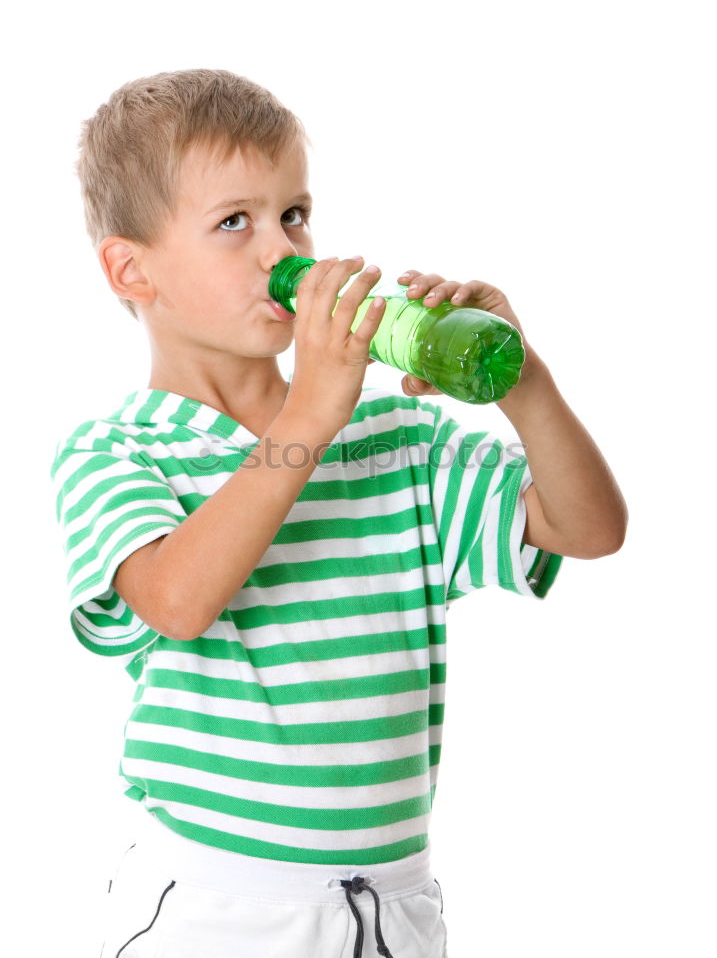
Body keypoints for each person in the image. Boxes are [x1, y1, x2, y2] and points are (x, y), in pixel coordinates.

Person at [50, 69, 628, 958]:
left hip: (392, 910)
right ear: (133, 270)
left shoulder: (394, 435)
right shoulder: (119, 451)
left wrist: (527, 386)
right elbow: (176, 601)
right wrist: (309, 416)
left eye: (294, 213)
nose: (283, 249)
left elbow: (588, 530)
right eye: (233, 222)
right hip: (219, 911)